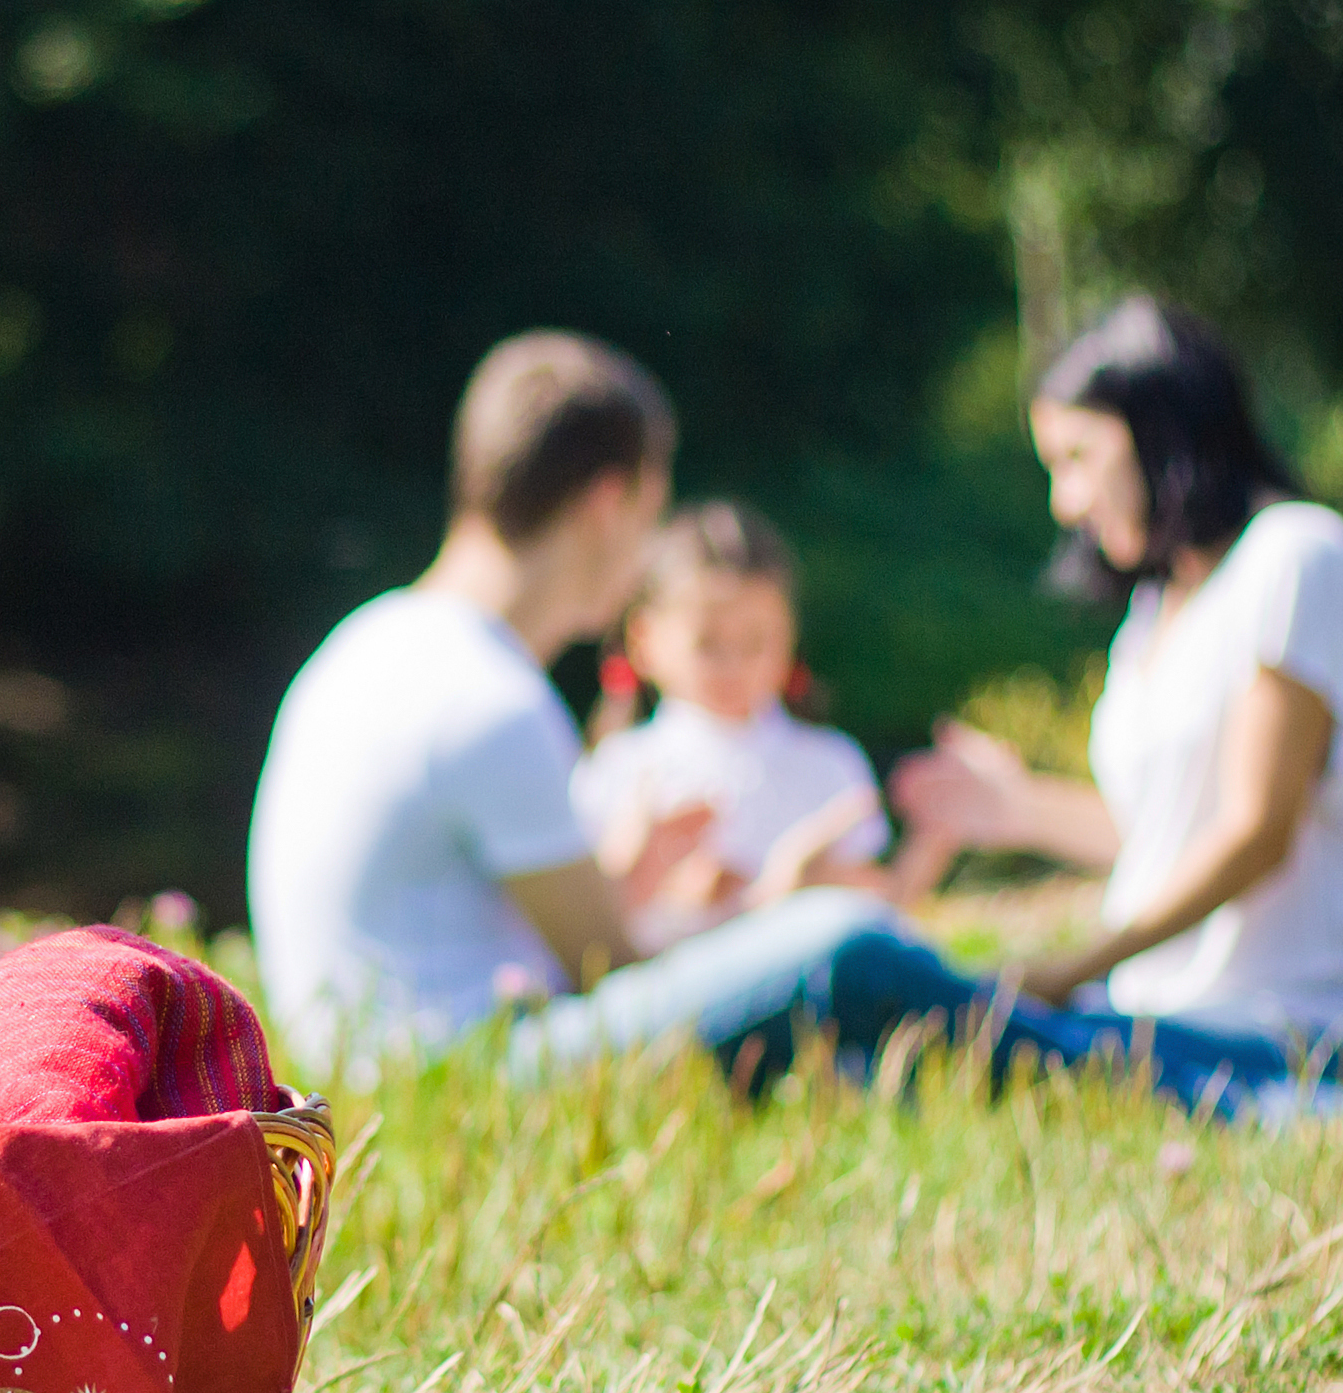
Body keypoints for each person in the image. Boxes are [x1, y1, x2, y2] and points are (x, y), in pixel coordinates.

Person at [739, 296, 1343, 1129]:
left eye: (1079, 461)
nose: (1064, 503)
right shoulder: (1155, 614)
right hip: (1171, 1011)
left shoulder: (1296, 558)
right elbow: (1163, 834)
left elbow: (1254, 832)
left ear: (1161, 434)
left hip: (1318, 1018)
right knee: (905, 1051)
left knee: (952, 1017)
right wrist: (1014, 808)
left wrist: (1068, 970)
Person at [247, 331, 900, 1076]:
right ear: (609, 504)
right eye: (652, 515)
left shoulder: (369, 642)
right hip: (468, 1070)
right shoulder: (490, 699)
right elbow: (613, 973)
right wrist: (773, 908)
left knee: (848, 1026)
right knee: (843, 941)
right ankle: (1065, 1047)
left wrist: (630, 881)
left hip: (370, 1065)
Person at [572, 500, 952, 951]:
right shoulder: (620, 770)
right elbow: (593, 944)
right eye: (707, 644)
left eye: (755, 643)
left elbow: (880, 921)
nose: (733, 666)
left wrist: (933, 841)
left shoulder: (830, 762)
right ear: (644, 639)